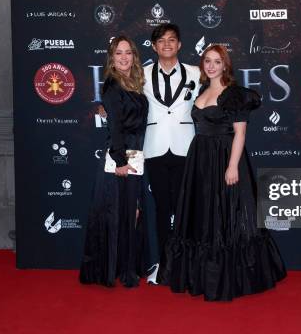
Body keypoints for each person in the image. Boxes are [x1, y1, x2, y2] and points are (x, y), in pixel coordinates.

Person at [160, 45, 286, 301]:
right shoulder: (201, 90)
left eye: (217, 61)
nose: (211, 65)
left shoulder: (235, 95)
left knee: (227, 216)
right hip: (200, 160)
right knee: (204, 215)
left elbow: (240, 133)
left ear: (225, 65)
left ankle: (229, 277)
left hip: (225, 157)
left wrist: (232, 166)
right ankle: (203, 276)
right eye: (207, 61)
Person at [80, 35, 148, 287]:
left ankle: (127, 267)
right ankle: (118, 271)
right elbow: (115, 127)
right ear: (111, 58)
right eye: (118, 53)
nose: (123, 58)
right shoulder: (113, 86)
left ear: (134, 56)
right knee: (117, 214)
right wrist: (120, 161)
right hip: (121, 157)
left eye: (128, 53)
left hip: (136, 153)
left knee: (132, 213)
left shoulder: (135, 83)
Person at [142, 23, 200, 283]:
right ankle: (164, 265)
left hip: (186, 147)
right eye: (161, 41)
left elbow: (215, 96)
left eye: (172, 40)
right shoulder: (140, 75)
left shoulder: (197, 73)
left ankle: (186, 264)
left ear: (179, 45)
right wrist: (105, 108)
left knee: (185, 208)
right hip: (154, 148)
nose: (167, 44)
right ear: (154, 46)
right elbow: (126, 101)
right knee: (161, 209)